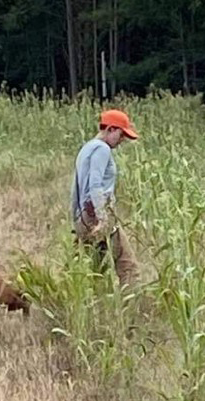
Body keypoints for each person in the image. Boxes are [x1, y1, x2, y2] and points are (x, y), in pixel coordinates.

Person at [71, 109, 139, 286]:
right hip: (98, 215)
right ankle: (131, 309)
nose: (122, 140)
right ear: (110, 129)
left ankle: (97, 309)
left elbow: (76, 189)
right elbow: (95, 185)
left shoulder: (86, 148)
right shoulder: (102, 149)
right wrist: (102, 218)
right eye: (121, 134)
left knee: (96, 270)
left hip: (84, 216)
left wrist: (77, 220)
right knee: (128, 267)